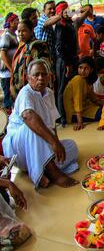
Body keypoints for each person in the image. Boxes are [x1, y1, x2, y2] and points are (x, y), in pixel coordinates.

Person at [3, 59, 79, 189]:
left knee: (72, 146)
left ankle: (43, 169)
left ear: (49, 77)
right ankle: (55, 174)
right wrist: (53, 143)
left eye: (44, 74)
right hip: (19, 150)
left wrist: (57, 143)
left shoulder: (49, 93)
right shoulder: (25, 93)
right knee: (32, 127)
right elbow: (29, 116)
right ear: (28, 78)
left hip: (38, 147)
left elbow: (52, 123)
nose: (40, 78)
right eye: (36, 75)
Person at [55, 2, 91, 126]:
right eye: (64, 11)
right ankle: (62, 117)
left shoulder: (71, 24)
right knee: (61, 88)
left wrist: (74, 11)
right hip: (64, 61)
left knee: (70, 86)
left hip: (72, 59)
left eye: (68, 10)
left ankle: (72, 112)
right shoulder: (60, 26)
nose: (68, 12)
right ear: (60, 13)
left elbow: (87, 9)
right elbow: (60, 48)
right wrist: (67, 65)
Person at [11, 19, 52, 99]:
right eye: (19, 31)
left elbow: (43, 71)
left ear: (31, 30)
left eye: (24, 31)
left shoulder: (39, 47)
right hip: (21, 90)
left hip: (35, 91)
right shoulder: (23, 47)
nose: (21, 34)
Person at [63, 56, 103, 131]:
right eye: (80, 68)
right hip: (75, 114)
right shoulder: (78, 79)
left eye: (86, 68)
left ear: (91, 70)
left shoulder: (86, 81)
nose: (82, 71)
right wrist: (80, 122)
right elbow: (77, 102)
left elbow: (94, 99)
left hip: (86, 108)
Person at [0, 13, 19, 110]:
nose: (18, 22)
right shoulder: (6, 35)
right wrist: (11, 69)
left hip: (11, 71)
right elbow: (3, 54)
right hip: (7, 73)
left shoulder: (13, 35)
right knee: (8, 98)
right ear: (11, 22)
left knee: (13, 97)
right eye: (16, 20)